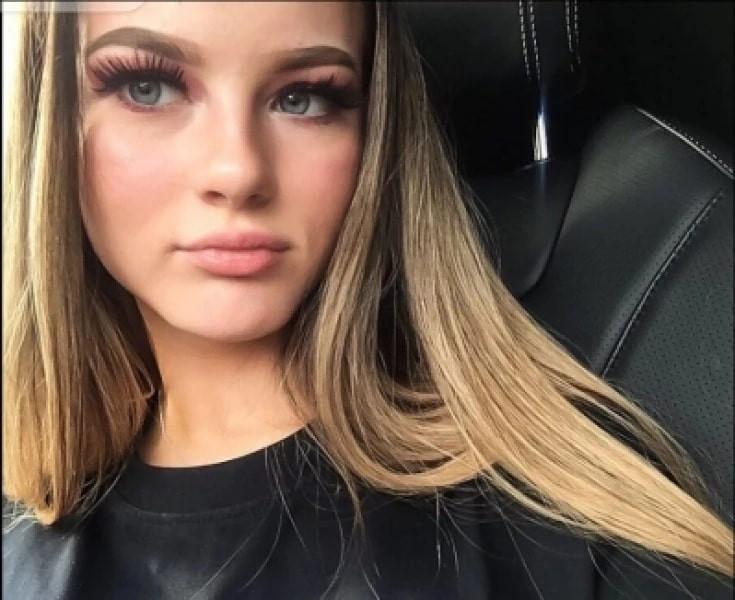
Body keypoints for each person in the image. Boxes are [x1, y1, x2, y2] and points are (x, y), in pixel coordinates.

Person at [2, 2, 732, 598]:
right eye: (147, 86)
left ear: (374, 132)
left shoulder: (562, 527)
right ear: (51, 123)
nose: (238, 169)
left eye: (304, 97)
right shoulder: (21, 528)